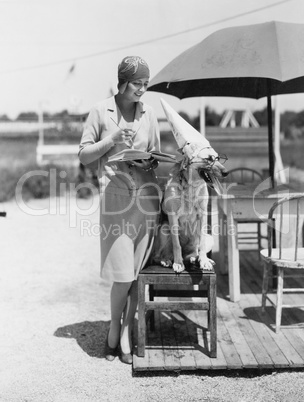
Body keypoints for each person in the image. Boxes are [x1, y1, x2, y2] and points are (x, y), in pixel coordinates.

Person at [78, 56, 161, 364]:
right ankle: (114, 327)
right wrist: (111, 140)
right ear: (123, 82)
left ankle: (125, 333)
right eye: (138, 83)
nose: (142, 90)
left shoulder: (149, 113)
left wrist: (146, 159)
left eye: (146, 84)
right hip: (114, 201)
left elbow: (154, 154)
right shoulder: (101, 111)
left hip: (144, 202)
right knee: (122, 275)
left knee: (136, 274)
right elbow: (85, 155)